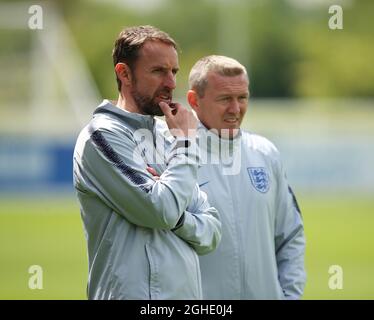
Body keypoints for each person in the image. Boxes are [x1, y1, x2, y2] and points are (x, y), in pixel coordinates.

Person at [73, 26, 221, 300]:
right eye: (158, 71)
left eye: (174, 72)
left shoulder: (169, 137)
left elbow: (211, 231)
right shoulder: (101, 136)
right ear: (124, 73)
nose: (171, 83)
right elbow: (161, 209)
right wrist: (187, 144)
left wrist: (177, 218)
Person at [186, 55, 306, 299]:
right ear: (194, 100)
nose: (235, 109)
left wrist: (289, 296)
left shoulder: (265, 153)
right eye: (225, 99)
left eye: (242, 98)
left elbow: (290, 235)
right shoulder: (174, 157)